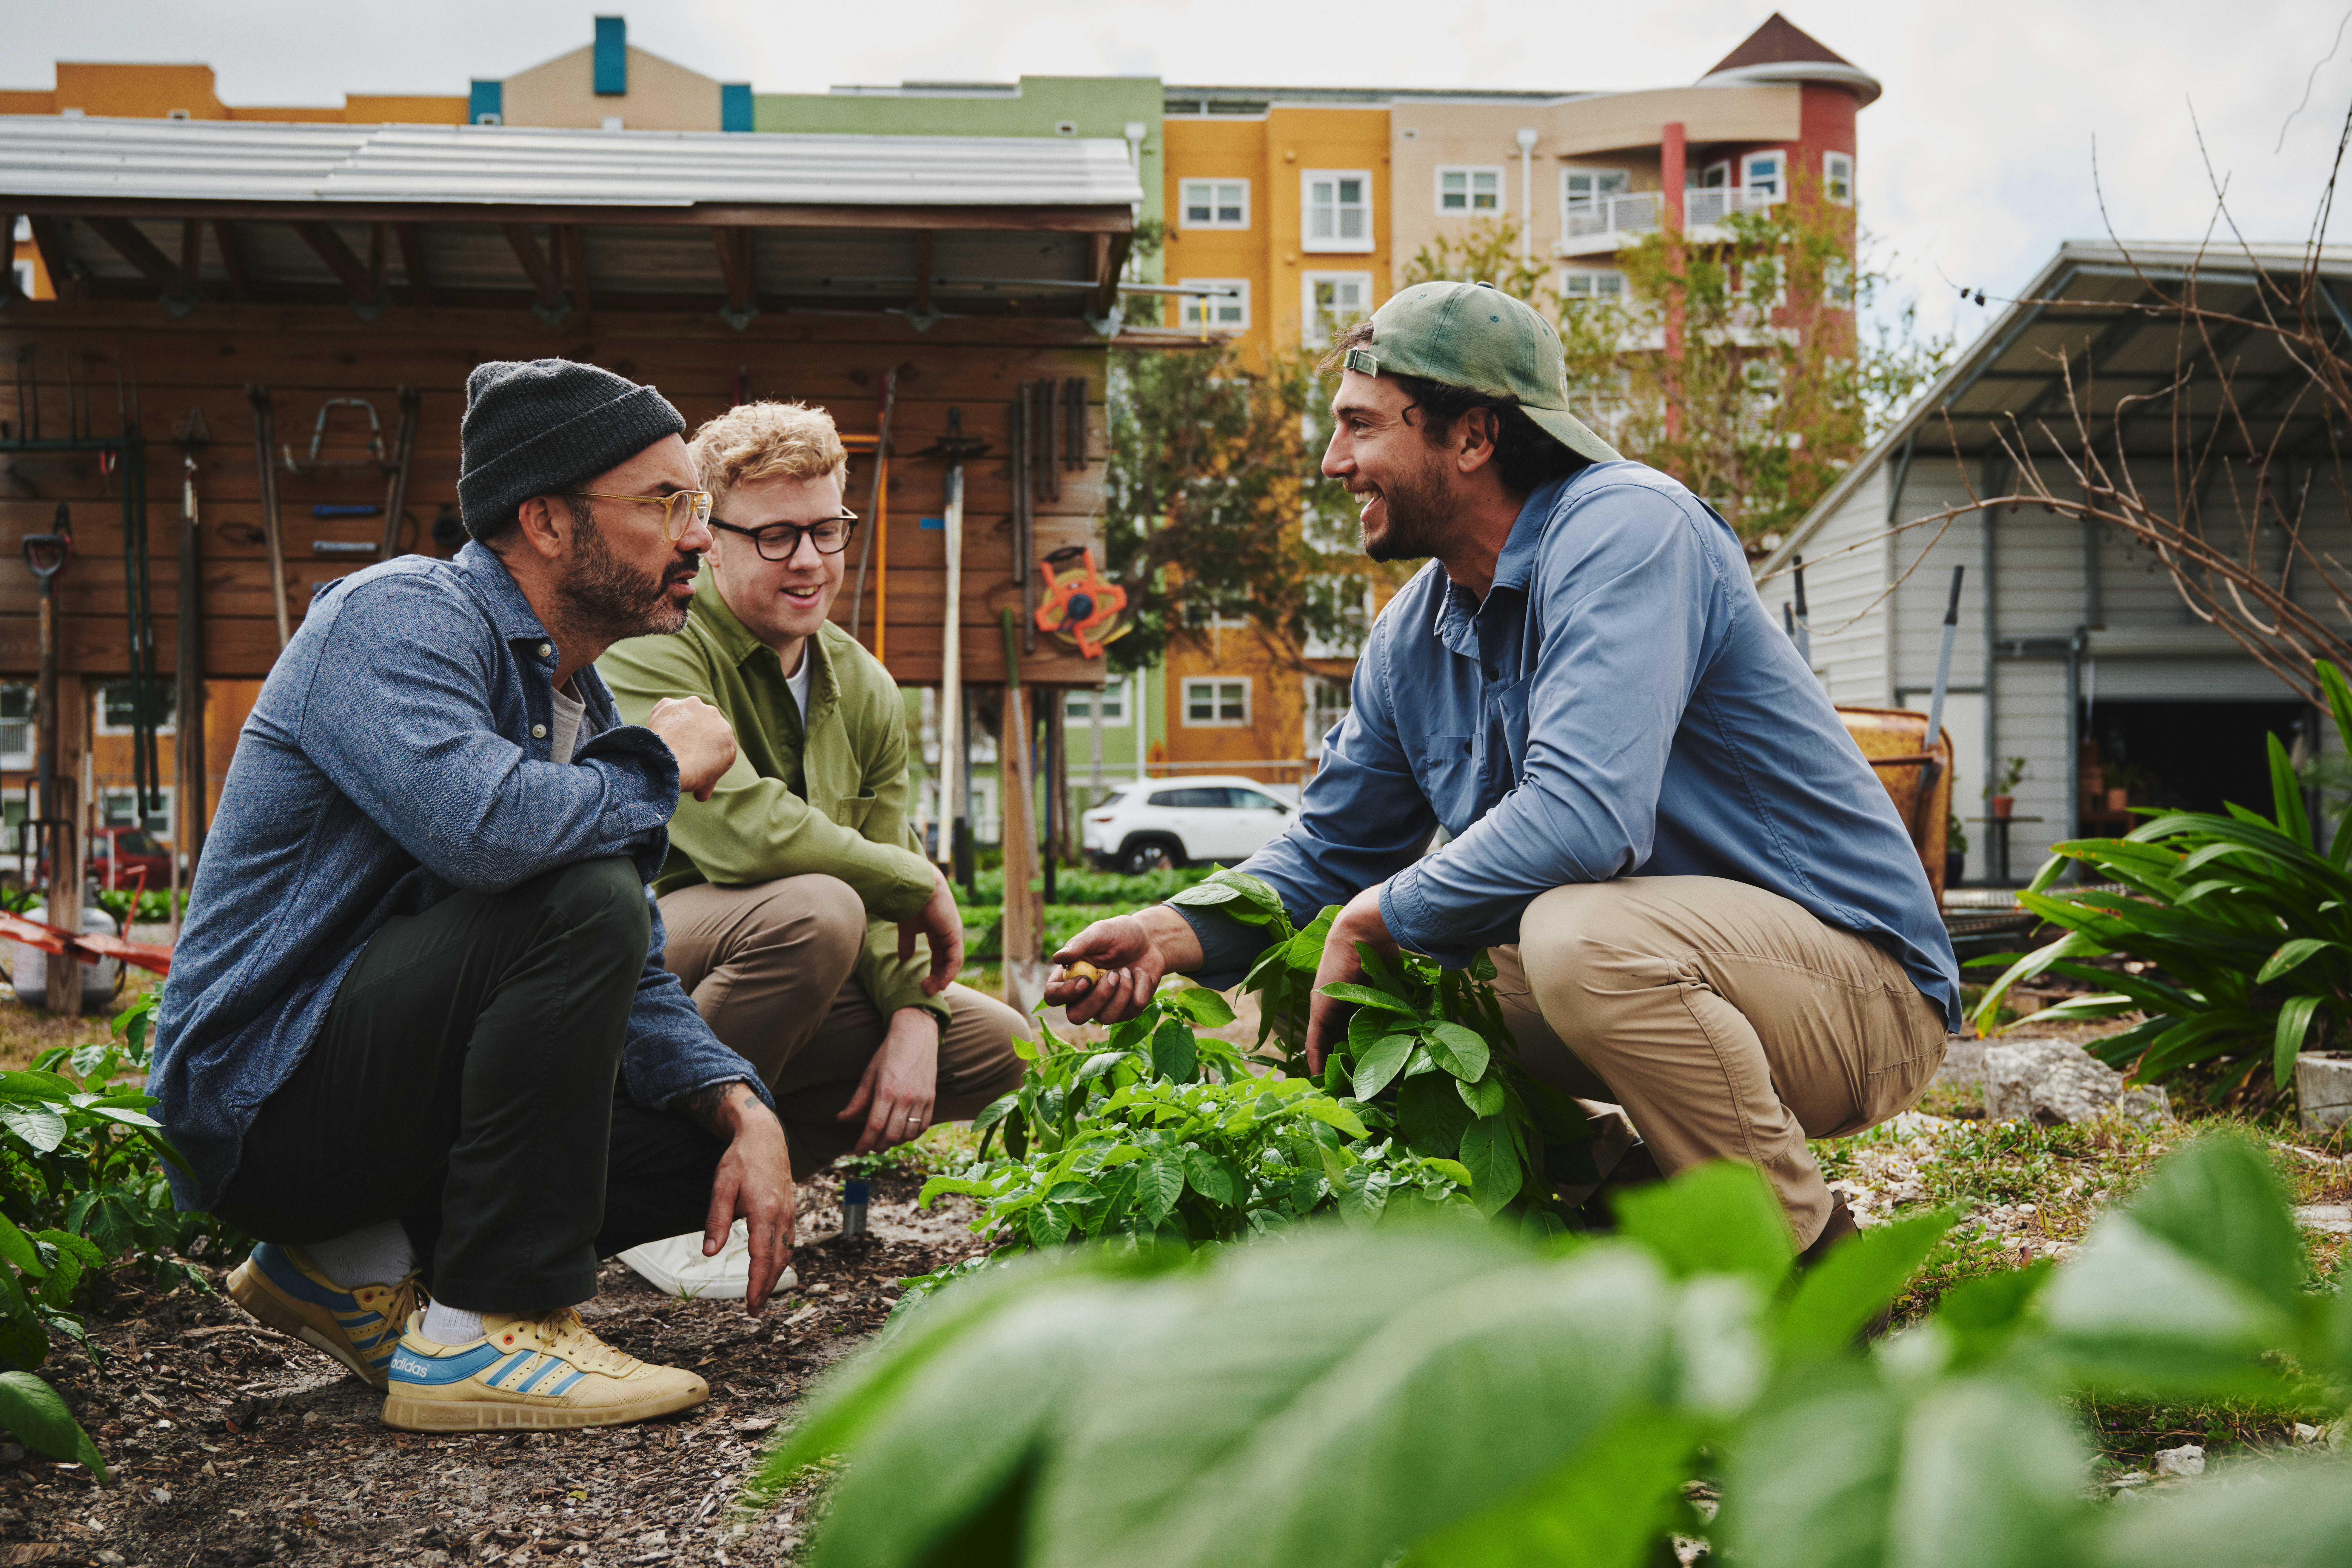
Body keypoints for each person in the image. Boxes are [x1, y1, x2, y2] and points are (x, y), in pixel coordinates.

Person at [1046, 281, 1959, 1256]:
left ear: (1473, 435)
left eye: (1359, 427)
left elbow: (1585, 816)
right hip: (1671, 980)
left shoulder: (1628, 530)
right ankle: (1621, 1196)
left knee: (1567, 936)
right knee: (1307, 1003)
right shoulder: (1414, 634)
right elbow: (1330, 850)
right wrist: (1166, 932)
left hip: (1856, 992)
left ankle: (1807, 1266)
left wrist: (1377, 915)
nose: (1333, 462)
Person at [155, 359, 796, 1433]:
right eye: (665, 502)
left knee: (698, 1156)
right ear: (545, 520)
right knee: (578, 887)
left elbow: (626, 964)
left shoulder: (573, 700)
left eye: (695, 503)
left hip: (362, 1104)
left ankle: (349, 1267)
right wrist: (656, 766)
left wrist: (741, 1105)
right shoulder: (396, 617)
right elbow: (488, 834)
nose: (698, 533)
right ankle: (491, 1328)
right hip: (261, 1096)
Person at [599, 401, 1024, 1192]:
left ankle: (709, 1194)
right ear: (709, 541)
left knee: (999, 1045)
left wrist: (910, 1014)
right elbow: (740, 833)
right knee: (817, 912)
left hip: (782, 961)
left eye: (826, 530)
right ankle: (640, 1171)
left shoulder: (862, 682)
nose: (809, 561)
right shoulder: (652, 644)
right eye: (774, 535)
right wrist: (913, 882)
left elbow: (886, 850)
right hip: (634, 963)